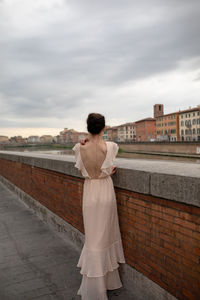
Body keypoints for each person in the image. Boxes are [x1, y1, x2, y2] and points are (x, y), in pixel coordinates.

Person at [72, 113, 125, 300]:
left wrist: (86, 140)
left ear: (88, 127)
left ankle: (96, 285)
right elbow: (109, 166)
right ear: (104, 128)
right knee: (105, 236)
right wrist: (109, 170)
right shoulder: (111, 146)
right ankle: (105, 283)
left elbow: (81, 168)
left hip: (90, 193)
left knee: (93, 238)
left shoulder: (79, 148)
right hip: (105, 192)